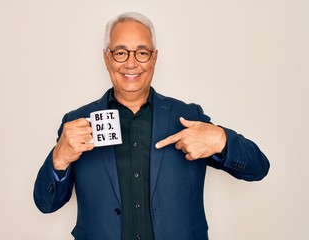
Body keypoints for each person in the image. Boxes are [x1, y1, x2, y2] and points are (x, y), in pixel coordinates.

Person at [33, 12, 270, 240]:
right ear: (106, 58)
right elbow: (46, 204)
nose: (131, 63)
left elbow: (258, 169)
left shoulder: (187, 117)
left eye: (142, 52)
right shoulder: (78, 122)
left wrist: (222, 140)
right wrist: (59, 158)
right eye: (120, 52)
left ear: (154, 57)